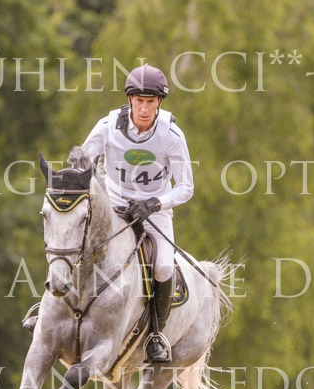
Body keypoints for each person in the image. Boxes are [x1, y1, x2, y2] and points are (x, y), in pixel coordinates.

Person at [26, 64, 193, 364]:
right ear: (130, 100)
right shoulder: (107, 126)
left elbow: (186, 187)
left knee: (164, 268)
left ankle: (156, 334)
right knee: (71, 235)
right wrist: (77, 169)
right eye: (139, 101)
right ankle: (46, 310)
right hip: (112, 203)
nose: (144, 109)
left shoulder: (172, 135)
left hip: (153, 210)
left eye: (150, 102)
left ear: (159, 102)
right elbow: (82, 163)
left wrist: (155, 204)